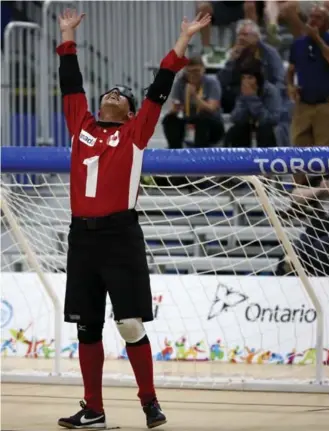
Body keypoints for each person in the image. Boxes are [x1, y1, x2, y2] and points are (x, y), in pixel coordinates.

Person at [55, 8, 210, 430]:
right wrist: (67, 36)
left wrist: (183, 40)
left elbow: (160, 86)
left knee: (128, 324)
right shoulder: (80, 124)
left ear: (129, 111)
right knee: (86, 327)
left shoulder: (136, 132)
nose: (115, 94)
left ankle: (149, 402)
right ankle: (94, 409)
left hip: (120, 236)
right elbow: (71, 83)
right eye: (111, 92)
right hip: (82, 239)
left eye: (123, 96)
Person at [287, 5, 329, 182]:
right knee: (298, 155)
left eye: (318, 17)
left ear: (327, 22)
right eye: (311, 17)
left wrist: (317, 39)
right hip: (303, 105)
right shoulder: (298, 44)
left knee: (326, 157)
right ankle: (300, 199)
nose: (312, 20)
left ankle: (327, 195)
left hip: (326, 105)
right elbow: (290, 70)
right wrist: (290, 86)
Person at [217, 19, 287, 114]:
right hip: (240, 96)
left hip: (264, 94)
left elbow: (280, 80)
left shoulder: (270, 53)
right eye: (239, 35)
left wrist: (272, 97)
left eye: (245, 35)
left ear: (256, 37)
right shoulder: (236, 52)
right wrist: (231, 61)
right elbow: (221, 81)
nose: (241, 38)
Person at [162, 55, 224, 149]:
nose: (193, 75)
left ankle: (199, 154)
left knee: (203, 119)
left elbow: (211, 109)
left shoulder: (212, 82)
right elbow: (176, 108)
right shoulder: (180, 83)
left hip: (211, 123)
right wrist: (175, 110)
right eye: (189, 71)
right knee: (169, 119)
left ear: (203, 69)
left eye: (196, 71)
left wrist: (194, 96)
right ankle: (175, 151)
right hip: (189, 119)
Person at [225, 59, 281, 148]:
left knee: (265, 130)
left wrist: (252, 99)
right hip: (249, 126)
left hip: (269, 129)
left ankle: (265, 160)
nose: (246, 81)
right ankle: (240, 159)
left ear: (258, 78)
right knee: (237, 129)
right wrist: (245, 100)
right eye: (243, 77)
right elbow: (235, 118)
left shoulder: (271, 91)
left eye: (250, 77)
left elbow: (272, 119)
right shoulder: (243, 91)